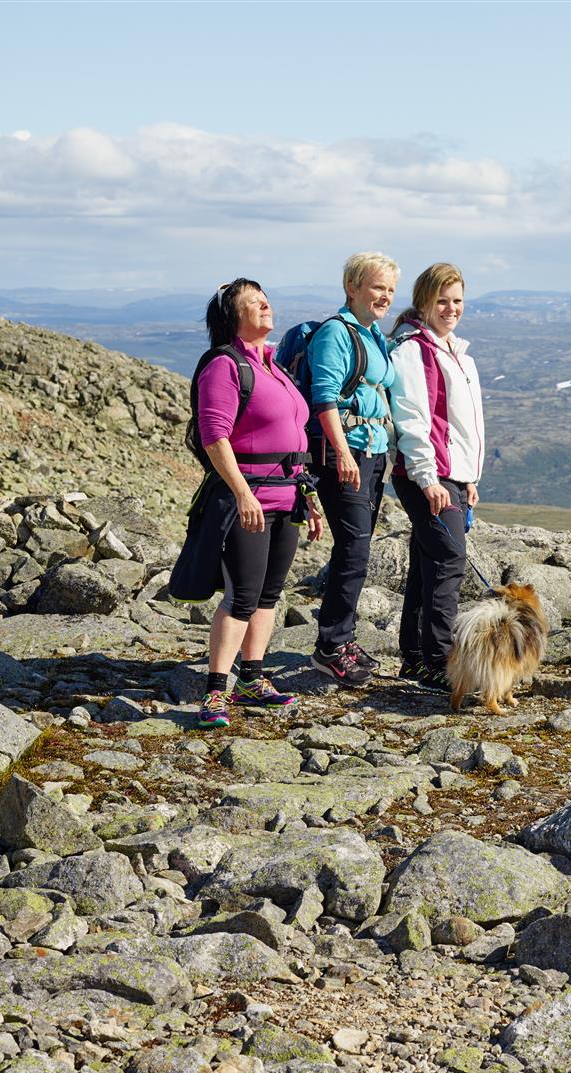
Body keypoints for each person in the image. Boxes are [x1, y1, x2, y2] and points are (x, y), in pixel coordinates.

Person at [194, 279, 322, 729]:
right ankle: (215, 691)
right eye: (252, 301)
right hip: (248, 498)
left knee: (269, 593)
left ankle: (252, 678)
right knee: (243, 595)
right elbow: (215, 435)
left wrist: (308, 496)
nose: (264, 304)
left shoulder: (274, 367)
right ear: (233, 318)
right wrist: (242, 493)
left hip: (288, 495)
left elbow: (294, 437)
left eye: (264, 298)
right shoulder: (225, 366)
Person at [389, 263, 484, 692]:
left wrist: (467, 478)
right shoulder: (415, 350)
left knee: (430, 563)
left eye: (457, 300)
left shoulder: (456, 352)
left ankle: (416, 659)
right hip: (427, 476)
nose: (451, 308)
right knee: (448, 561)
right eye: (442, 300)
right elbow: (413, 419)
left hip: (450, 476)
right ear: (424, 302)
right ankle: (439, 659)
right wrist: (428, 478)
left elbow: (459, 426)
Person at [307, 252, 401, 686]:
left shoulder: (373, 335)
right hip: (344, 455)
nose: (385, 296)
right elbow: (324, 397)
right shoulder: (336, 333)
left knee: (355, 549)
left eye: (390, 290)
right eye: (377, 287)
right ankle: (330, 646)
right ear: (353, 287)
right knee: (354, 550)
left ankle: (340, 640)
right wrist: (343, 454)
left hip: (373, 454)